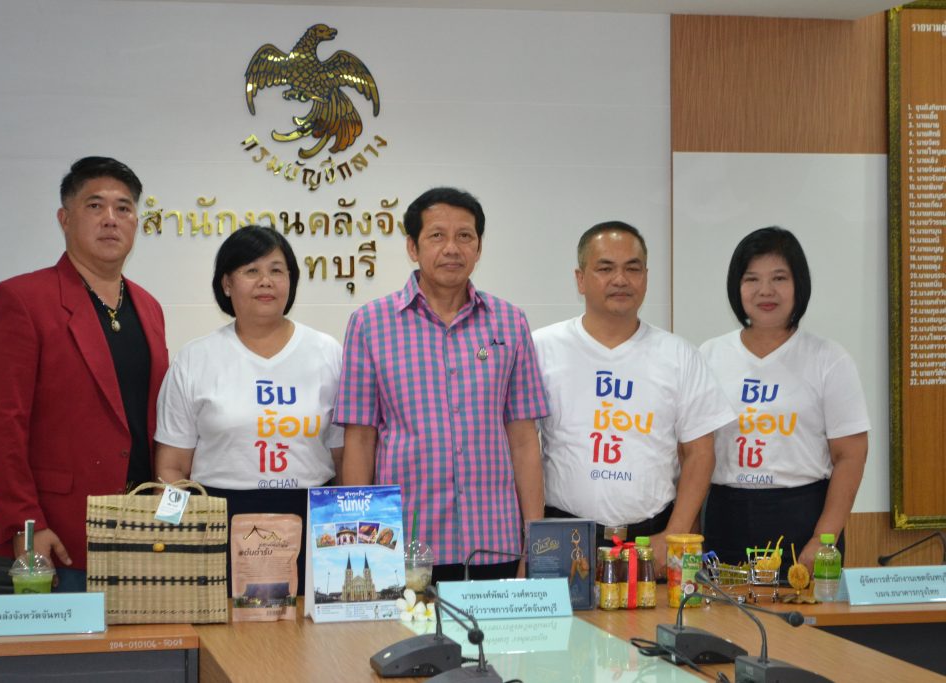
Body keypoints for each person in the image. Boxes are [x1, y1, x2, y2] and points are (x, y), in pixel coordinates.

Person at [0, 157, 168, 592]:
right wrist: (26, 524)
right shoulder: (22, 299)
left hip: (141, 535)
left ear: (136, 222)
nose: (111, 219)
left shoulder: (149, 308)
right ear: (64, 219)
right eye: (95, 206)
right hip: (59, 538)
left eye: (123, 208)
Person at [335, 187, 549, 583]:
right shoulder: (370, 324)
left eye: (464, 236)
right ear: (412, 247)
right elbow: (360, 441)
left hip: (494, 541)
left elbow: (523, 439)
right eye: (437, 235)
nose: (452, 248)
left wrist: (533, 542)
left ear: (479, 247)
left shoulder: (510, 322)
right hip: (403, 545)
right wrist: (361, 545)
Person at [534, 221, 735, 571]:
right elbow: (520, 447)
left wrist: (674, 536)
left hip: (652, 538)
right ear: (580, 279)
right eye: (605, 268)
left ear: (645, 277)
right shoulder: (540, 348)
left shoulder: (679, 355)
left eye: (632, 268)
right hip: (562, 537)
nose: (620, 279)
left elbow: (700, 453)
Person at [155, 226, 343, 594]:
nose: (265, 281)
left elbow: (343, 458)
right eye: (251, 270)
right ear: (227, 283)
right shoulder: (195, 358)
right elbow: (171, 468)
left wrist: (345, 535)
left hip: (313, 522)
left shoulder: (328, 353)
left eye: (277, 270)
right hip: (217, 524)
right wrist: (175, 535)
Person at [700, 226, 869, 573]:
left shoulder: (829, 358)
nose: (766, 291)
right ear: (737, 286)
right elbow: (690, 452)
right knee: (723, 609)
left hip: (802, 518)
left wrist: (823, 539)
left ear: (798, 285)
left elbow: (850, 455)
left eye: (779, 278)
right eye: (752, 279)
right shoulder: (709, 355)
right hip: (725, 515)